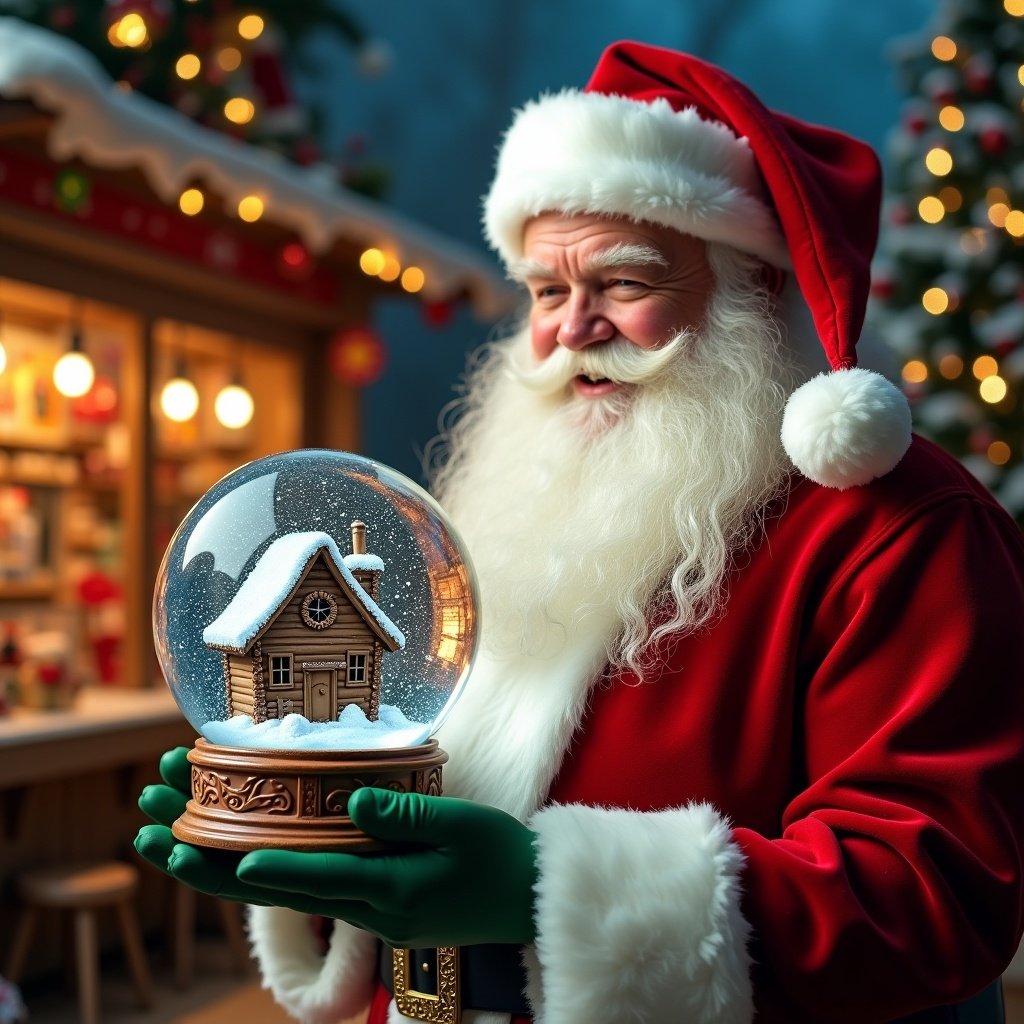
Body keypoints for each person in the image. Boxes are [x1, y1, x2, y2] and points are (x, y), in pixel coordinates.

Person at [136, 41, 1024, 1024]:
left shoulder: (898, 532)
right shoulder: (517, 500)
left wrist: (539, 890)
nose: (572, 328)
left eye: (624, 282)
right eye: (547, 291)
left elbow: (934, 891)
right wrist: (318, 824)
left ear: (752, 294)